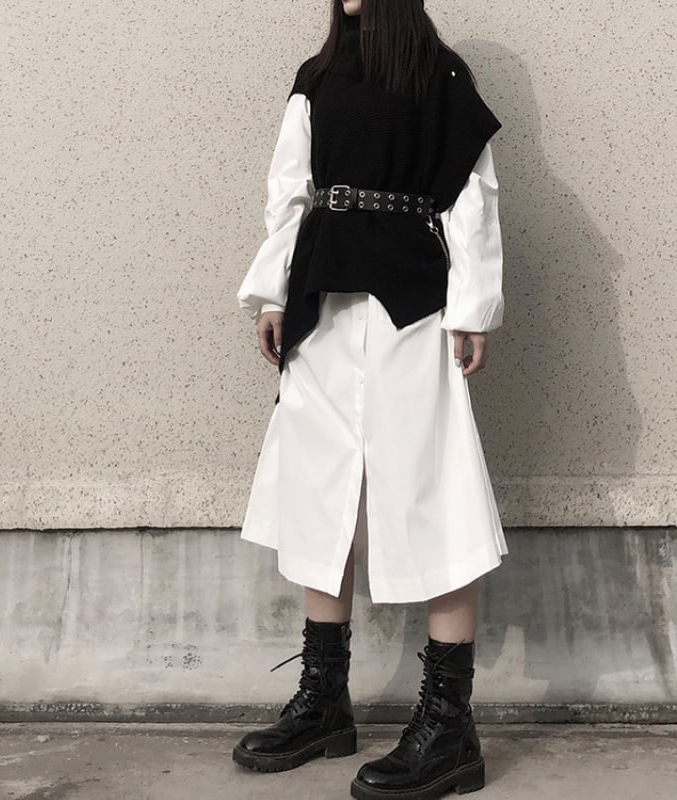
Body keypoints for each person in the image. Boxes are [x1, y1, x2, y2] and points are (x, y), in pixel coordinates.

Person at [233, 1, 508, 798]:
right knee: (319, 490)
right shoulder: (316, 77)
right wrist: (273, 292)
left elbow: (472, 194)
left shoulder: (440, 75)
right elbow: (289, 191)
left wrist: (472, 307)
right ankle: (325, 703)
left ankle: (449, 728)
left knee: (430, 490)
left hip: (411, 309)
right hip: (321, 302)